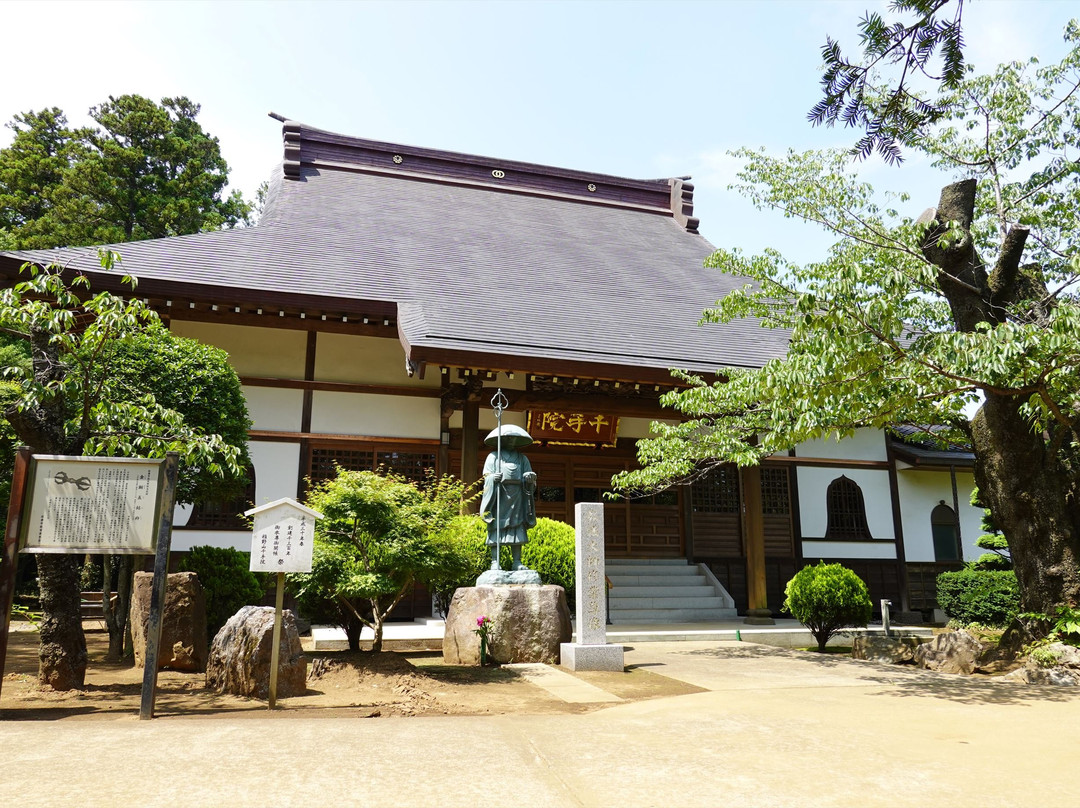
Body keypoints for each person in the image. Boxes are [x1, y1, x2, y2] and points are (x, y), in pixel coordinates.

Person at [479, 424, 537, 571]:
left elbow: (529, 476)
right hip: (499, 495)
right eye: (508, 438)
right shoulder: (493, 456)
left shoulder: (522, 458)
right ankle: (494, 562)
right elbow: (486, 476)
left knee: (517, 527)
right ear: (502, 440)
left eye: (514, 439)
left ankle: (517, 561)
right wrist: (493, 478)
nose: (511, 441)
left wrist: (529, 478)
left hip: (517, 495)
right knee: (496, 527)